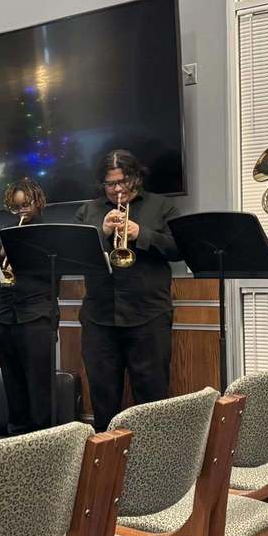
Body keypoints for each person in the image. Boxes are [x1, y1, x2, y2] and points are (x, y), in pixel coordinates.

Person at [73, 150, 182, 432]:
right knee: (103, 396)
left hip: (149, 315)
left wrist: (140, 233)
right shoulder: (88, 211)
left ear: (137, 177)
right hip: (99, 317)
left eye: (124, 181)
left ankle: (154, 452)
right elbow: (73, 256)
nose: (118, 189)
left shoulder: (162, 206)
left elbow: (179, 249)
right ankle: (107, 454)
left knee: (152, 396)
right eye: (111, 184)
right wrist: (102, 232)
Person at [0, 178, 57, 433]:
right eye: (16, 207)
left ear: (38, 202)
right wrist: (1, 256)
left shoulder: (49, 233)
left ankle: (41, 435)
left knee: (39, 380)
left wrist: (23, 255)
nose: (22, 211)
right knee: (11, 376)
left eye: (26, 204)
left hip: (37, 312)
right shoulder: (1, 234)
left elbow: (56, 273)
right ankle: (16, 430)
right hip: (5, 312)